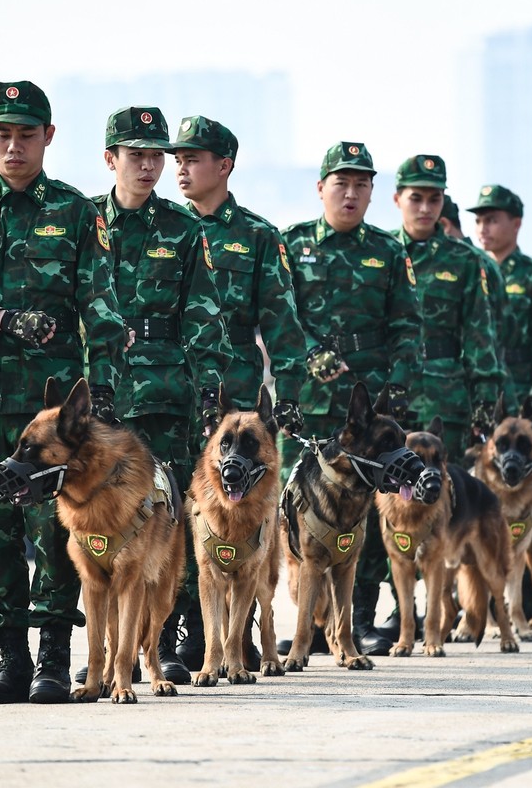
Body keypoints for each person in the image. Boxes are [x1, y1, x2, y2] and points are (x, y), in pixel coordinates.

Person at [0, 80, 125, 704]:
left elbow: (102, 305)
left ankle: (53, 664)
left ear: (48, 137)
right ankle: (10, 660)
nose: (14, 146)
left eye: (27, 134)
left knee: (56, 532)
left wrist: (105, 390)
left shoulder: (73, 211)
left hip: (50, 412)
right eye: (3, 134)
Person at [169, 114, 312, 668]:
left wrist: (292, 393)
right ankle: (171, 636)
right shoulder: (164, 228)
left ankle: (233, 635)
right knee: (175, 518)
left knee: (240, 515)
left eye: (193, 158)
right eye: (177, 159)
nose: (181, 167)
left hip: (234, 399)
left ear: (223, 165)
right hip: (169, 389)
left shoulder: (257, 236)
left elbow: (282, 324)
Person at [95, 105, 228, 683]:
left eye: (157, 155)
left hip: (167, 391)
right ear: (111, 160)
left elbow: (203, 313)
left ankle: (165, 642)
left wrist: (208, 393)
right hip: (104, 399)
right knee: (100, 528)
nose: (150, 165)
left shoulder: (182, 228)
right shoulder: (85, 224)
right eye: (136, 154)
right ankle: (95, 656)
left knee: (169, 527)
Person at [280, 141, 423, 657]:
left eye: (362, 184)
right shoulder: (292, 244)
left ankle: (357, 618)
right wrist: (310, 351)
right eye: (341, 183)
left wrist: (400, 387)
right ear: (321, 189)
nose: (351, 193)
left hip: (371, 405)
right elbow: (280, 314)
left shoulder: (388, 250)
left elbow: (409, 324)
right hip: (313, 404)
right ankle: (308, 626)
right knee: (301, 517)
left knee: (364, 512)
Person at [391, 155, 504, 461]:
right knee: (382, 494)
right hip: (389, 395)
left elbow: (480, 336)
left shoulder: (465, 260)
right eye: (416, 198)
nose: (425, 208)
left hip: (446, 398)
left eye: (434, 199)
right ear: (397, 198)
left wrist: (484, 402)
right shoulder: (381, 252)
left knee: (443, 491)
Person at [469, 185, 532, 404]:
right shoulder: (473, 272)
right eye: (478, 221)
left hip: (523, 389)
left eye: (492, 220)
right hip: (478, 389)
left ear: (516, 224)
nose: (482, 228)